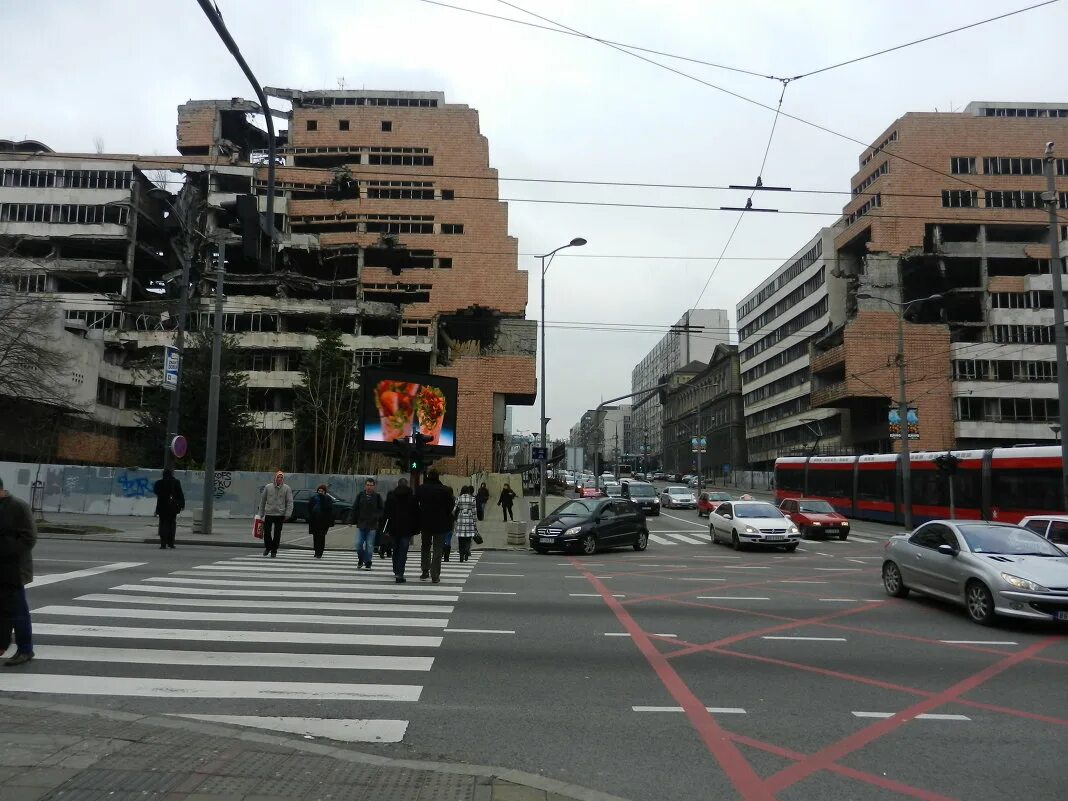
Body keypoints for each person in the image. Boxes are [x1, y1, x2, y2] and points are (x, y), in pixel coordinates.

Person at [0, 477, 36, 667]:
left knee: (18, 610)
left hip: (13, 568)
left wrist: (6, 551)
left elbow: (29, 538)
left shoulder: (17, 507)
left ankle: (25, 649)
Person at [416, 469, 454, 583]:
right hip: (440, 523)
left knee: (425, 546)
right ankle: (435, 574)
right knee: (438, 548)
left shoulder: (422, 489)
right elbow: (450, 506)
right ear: (438, 477)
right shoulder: (445, 490)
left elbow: (415, 503)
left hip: (425, 522)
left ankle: (425, 570)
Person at [380, 478, 419, 583]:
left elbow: (386, 513)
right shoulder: (412, 497)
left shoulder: (391, 496)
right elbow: (415, 514)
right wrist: (415, 529)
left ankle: (395, 569)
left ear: (398, 484)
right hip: (407, 528)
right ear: (406, 485)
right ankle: (400, 573)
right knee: (403, 551)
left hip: (394, 527)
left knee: (395, 549)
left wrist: (385, 528)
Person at [257, 471, 294, 558]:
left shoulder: (287, 488)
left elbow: (290, 502)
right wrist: (261, 513)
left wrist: (288, 514)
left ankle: (274, 550)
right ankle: (268, 547)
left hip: (280, 514)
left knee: (277, 533)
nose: (280, 479)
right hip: (269, 513)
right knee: (267, 532)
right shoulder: (268, 487)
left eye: (281, 477)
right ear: (275, 478)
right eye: (278, 477)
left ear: (283, 479)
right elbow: (262, 501)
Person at [352, 478, 383, 570]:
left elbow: (381, 510)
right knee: (358, 544)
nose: (369, 487)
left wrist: (377, 516)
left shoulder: (377, 496)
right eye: (368, 485)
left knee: (370, 545)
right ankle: (361, 558)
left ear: (374, 486)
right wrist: (351, 520)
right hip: (361, 523)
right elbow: (355, 508)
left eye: (371, 485)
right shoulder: (360, 495)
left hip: (372, 524)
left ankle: (368, 561)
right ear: (365, 486)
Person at [152, 468, 184, 550]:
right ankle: (171, 543)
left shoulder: (159, 483)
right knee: (172, 525)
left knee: (163, 524)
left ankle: (163, 543)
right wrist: (182, 505)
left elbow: (156, 492)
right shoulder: (176, 482)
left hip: (162, 507)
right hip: (172, 507)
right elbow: (180, 494)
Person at [307, 484, 334, 559]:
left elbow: (329, 509)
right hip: (314, 520)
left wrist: (323, 499)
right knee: (315, 537)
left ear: (325, 492)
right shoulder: (313, 498)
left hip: (323, 521)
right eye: (319, 490)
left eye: (322, 491)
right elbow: (309, 507)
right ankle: (316, 551)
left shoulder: (327, 498)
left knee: (321, 537)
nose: (320, 492)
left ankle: (320, 552)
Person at [453, 485, 478, 563]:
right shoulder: (472, 499)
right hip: (469, 519)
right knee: (468, 538)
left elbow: (454, 510)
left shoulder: (459, 498)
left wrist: (455, 517)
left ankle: (461, 556)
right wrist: (475, 521)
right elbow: (474, 511)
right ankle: (467, 551)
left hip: (461, 519)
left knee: (461, 539)